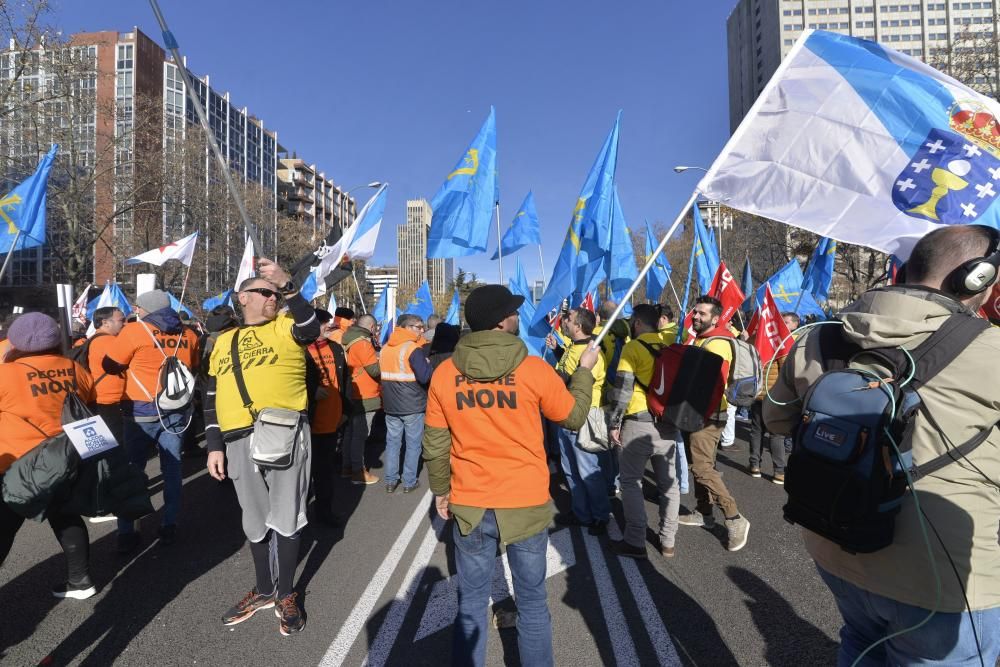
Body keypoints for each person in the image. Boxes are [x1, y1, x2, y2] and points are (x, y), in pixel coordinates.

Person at [765, 225, 1000, 665]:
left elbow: (776, 418)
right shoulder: (992, 350)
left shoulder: (816, 336)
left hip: (834, 542)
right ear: (977, 278)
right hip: (940, 580)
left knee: (860, 639)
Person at [423, 285, 598, 667]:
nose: (520, 317)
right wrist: (584, 372)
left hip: (470, 500)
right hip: (525, 500)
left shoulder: (444, 374)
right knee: (532, 602)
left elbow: (435, 445)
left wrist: (440, 491)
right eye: (515, 312)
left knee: (471, 604)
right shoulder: (533, 368)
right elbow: (573, 416)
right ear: (501, 322)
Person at [204, 259, 319, 636]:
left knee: (287, 517)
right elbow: (211, 395)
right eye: (264, 292)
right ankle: (265, 588)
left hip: (285, 433)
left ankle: (286, 592)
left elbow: (310, 327)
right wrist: (213, 445)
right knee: (254, 521)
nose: (272, 298)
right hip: (238, 439)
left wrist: (289, 287)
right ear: (243, 298)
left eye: (274, 293)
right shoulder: (223, 341)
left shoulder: (287, 326)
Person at [0, 313, 97, 598]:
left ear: (14, 341)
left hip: (17, 463)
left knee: (4, 524)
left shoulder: (6, 374)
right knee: (66, 515)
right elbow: (89, 401)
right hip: (64, 458)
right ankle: (80, 580)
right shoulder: (73, 368)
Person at [107, 289, 200, 552]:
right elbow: (191, 366)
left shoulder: (135, 331)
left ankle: (127, 531)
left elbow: (110, 364)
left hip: (141, 408)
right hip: (176, 409)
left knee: (133, 470)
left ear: (145, 309)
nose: (135, 311)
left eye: (138, 308)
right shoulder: (189, 333)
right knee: (172, 468)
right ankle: (169, 524)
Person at [677, 296, 750, 552]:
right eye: (695, 312)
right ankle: (704, 513)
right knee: (701, 465)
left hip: (707, 414)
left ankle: (734, 518)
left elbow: (713, 384)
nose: (695, 317)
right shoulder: (703, 339)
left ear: (716, 318)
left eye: (702, 314)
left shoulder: (716, 344)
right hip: (697, 412)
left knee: (701, 468)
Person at [607, 304, 679, 558]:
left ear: (637, 323)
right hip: (668, 423)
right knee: (669, 485)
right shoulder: (669, 347)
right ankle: (668, 541)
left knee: (631, 481)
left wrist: (614, 424)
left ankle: (635, 540)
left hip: (638, 423)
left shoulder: (633, 347)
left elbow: (623, 390)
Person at [552, 308, 609, 533]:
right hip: (566, 415)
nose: (564, 321)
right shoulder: (573, 347)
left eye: (568, 319)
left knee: (588, 472)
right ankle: (582, 513)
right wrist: (558, 351)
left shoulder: (592, 352)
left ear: (577, 326)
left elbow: (574, 379)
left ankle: (601, 516)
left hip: (583, 417)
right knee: (570, 470)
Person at [380, 313, 433, 493]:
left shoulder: (386, 347)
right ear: (408, 328)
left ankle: (390, 480)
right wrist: (428, 364)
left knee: (393, 443)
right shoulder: (412, 348)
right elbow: (424, 376)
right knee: (413, 444)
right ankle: (409, 482)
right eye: (419, 327)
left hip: (390, 403)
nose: (422, 330)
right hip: (412, 404)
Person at [305, 309, 348, 525]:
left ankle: (324, 514)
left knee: (325, 474)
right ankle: (298, 518)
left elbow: (345, 382)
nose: (326, 328)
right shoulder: (298, 350)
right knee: (302, 477)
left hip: (331, 422)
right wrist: (312, 391)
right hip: (307, 424)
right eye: (322, 323)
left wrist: (345, 411)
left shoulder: (336, 348)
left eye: (326, 323)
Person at [748, 311, 799, 483]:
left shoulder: (760, 339)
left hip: (758, 393)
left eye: (786, 322)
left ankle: (755, 465)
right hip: (773, 396)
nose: (783, 325)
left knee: (757, 431)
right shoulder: (782, 344)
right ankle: (778, 471)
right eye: (782, 321)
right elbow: (788, 372)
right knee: (776, 433)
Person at [341, 314, 381, 484]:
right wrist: (381, 360)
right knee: (360, 435)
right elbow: (374, 371)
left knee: (350, 433)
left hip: (352, 392)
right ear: (372, 327)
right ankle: (358, 471)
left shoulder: (348, 339)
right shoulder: (363, 343)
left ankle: (347, 467)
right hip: (365, 394)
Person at [84, 307, 127, 447]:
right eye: (121, 320)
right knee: (115, 444)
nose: (125, 323)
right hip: (110, 401)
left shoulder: (94, 339)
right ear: (105, 322)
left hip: (100, 398)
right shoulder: (108, 342)